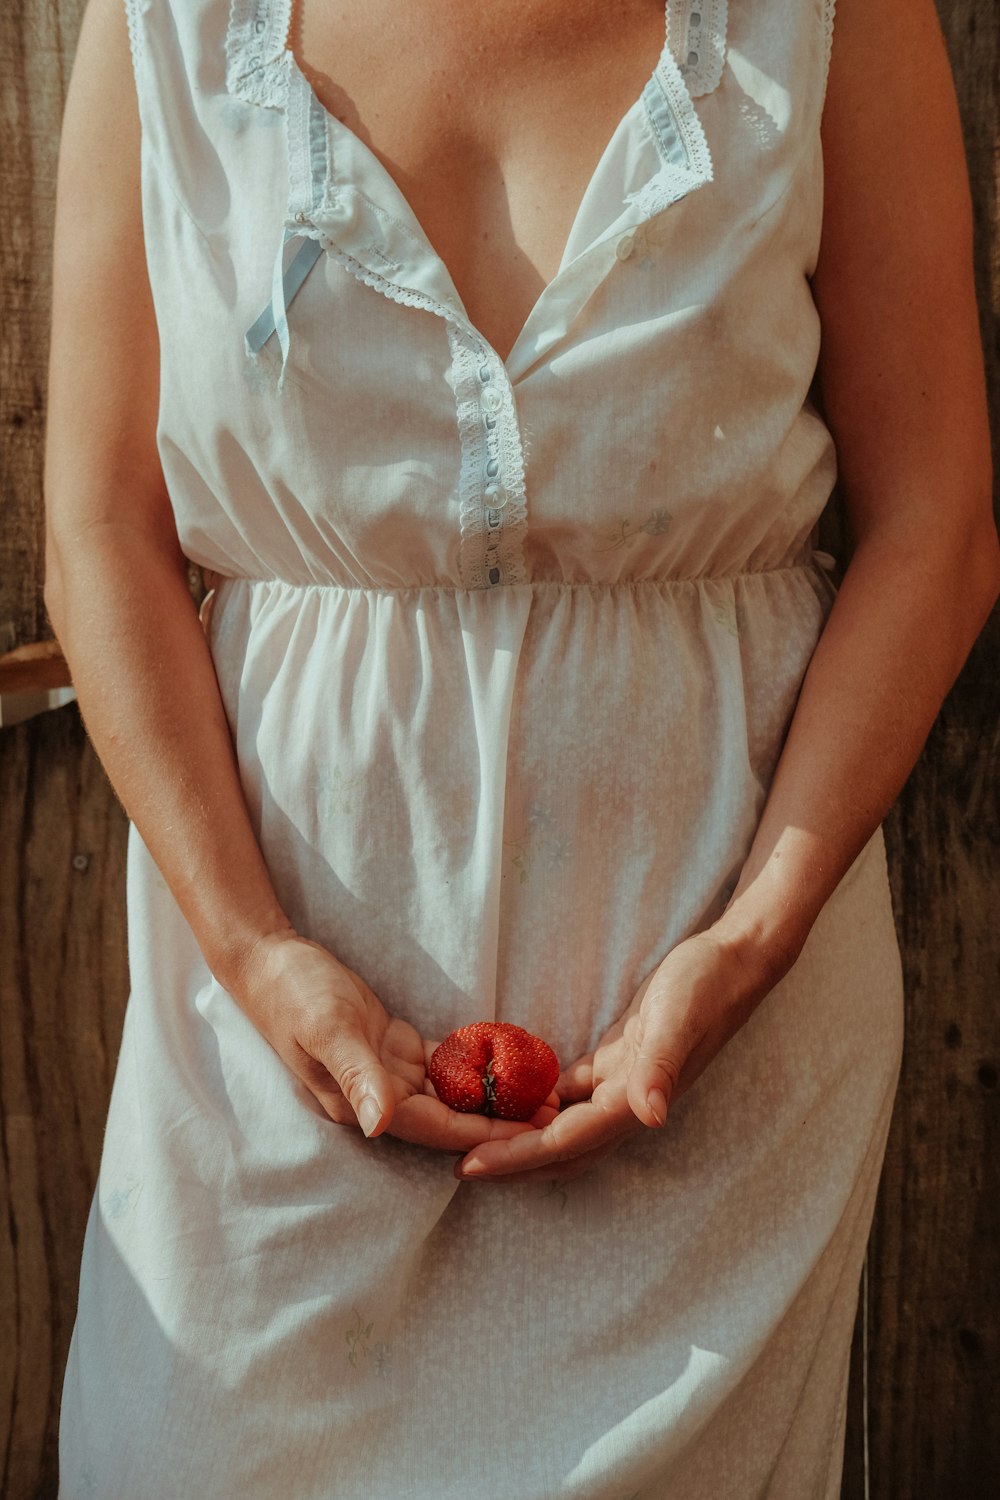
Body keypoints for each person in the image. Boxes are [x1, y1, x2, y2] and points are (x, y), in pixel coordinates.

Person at [47, 0, 996, 1495]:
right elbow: (100, 530)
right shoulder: (168, 20)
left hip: (714, 1071)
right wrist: (253, 954)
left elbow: (937, 523)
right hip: (264, 1057)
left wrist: (748, 945)